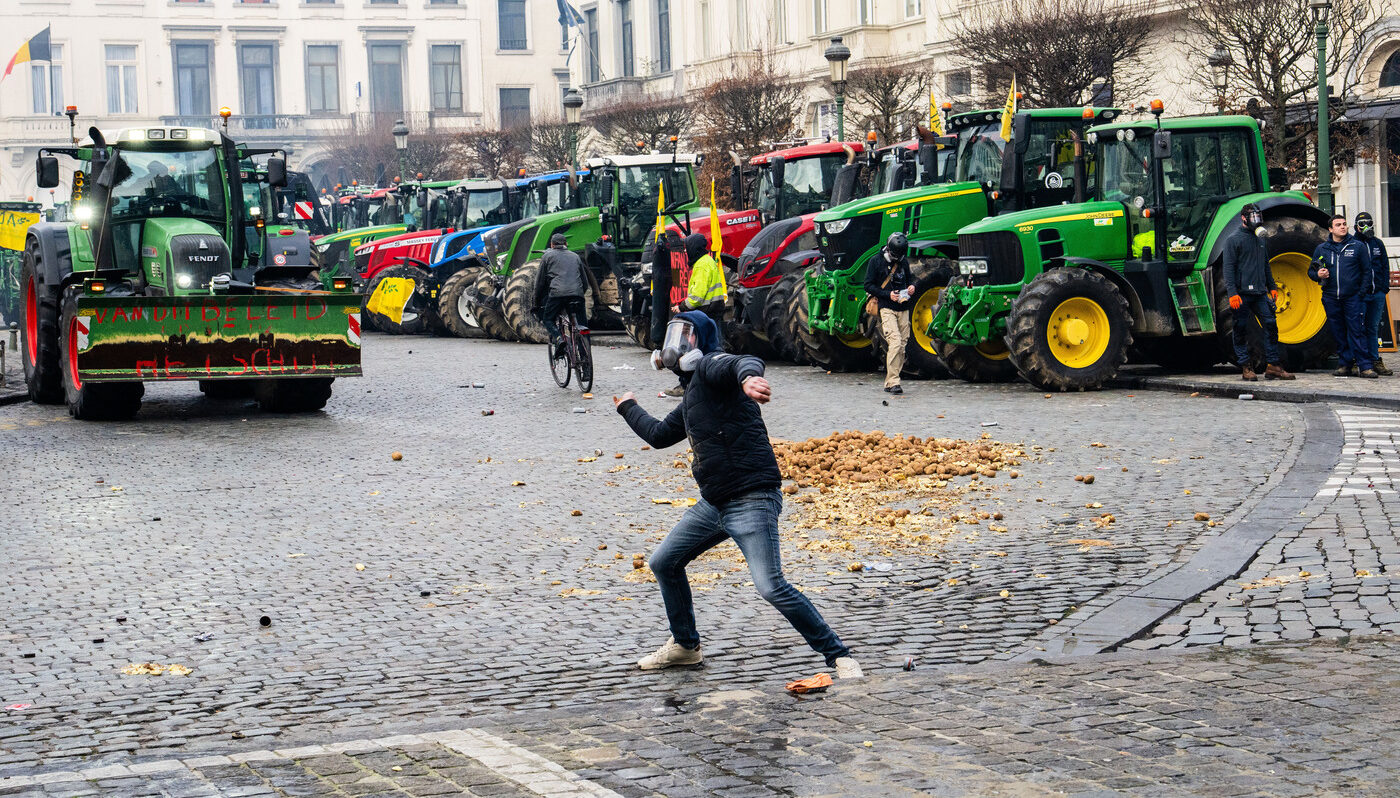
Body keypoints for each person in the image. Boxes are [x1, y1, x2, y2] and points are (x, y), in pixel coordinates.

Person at [612, 311, 862, 679]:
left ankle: (838, 656)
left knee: (770, 586)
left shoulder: (713, 365)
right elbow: (660, 435)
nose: (675, 344)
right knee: (664, 562)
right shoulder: (694, 393)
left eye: (686, 334)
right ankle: (685, 646)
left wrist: (749, 380)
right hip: (714, 503)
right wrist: (627, 407)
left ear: (702, 341)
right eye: (673, 334)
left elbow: (742, 362)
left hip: (751, 498)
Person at [1222, 204, 1294, 381]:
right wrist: (1232, 293)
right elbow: (1228, 269)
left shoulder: (1260, 239)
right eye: (1253, 217)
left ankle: (1273, 366)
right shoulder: (1233, 240)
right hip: (1241, 293)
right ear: (1244, 218)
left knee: (1271, 325)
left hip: (1261, 293)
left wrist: (1272, 287)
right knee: (1240, 328)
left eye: (1258, 217)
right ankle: (1246, 366)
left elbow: (1265, 265)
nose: (1257, 221)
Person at [1310, 214, 1376, 377]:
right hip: (1331, 297)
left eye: (1344, 224)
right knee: (1338, 332)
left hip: (1352, 297)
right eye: (1338, 224)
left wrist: (1361, 293)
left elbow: (1367, 272)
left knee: (1357, 331)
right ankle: (1345, 364)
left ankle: (1365, 366)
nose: (1343, 227)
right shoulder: (1322, 249)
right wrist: (1319, 274)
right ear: (1331, 229)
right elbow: (1311, 272)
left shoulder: (1357, 246)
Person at [863, 232, 915, 394]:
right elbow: (868, 285)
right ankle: (893, 382)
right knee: (895, 342)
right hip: (886, 307)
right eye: (894, 255)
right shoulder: (876, 261)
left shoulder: (903, 261)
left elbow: (909, 279)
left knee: (902, 345)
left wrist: (912, 287)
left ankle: (892, 379)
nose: (897, 259)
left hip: (903, 307)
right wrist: (888, 295)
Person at [533, 233, 589, 355]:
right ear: (566, 244)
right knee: (582, 325)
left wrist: (536, 303)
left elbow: (539, 283)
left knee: (548, 319)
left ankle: (559, 338)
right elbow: (585, 282)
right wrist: (579, 294)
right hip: (577, 294)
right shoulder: (575, 256)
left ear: (552, 245)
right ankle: (586, 363)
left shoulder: (547, 256)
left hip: (557, 295)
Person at [1356, 211, 1393, 376]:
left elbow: (1385, 266)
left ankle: (1375, 360)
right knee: (1358, 328)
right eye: (1362, 224)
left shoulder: (1378, 243)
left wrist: (1384, 288)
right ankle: (1362, 361)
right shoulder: (1352, 243)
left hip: (1377, 293)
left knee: (1372, 328)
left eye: (1368, 223)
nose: (1365, 227)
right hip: (1361, 295)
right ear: (1356, 226)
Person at [680, 233, 727, 337]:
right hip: (715, 308)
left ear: (693, 248)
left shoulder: (701, 265)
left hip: (707, 310)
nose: (685, 251)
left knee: (708, 343)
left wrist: (682, 306)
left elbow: (697, 297)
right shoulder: (708, 260)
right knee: (716, 340)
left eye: (686, 248)